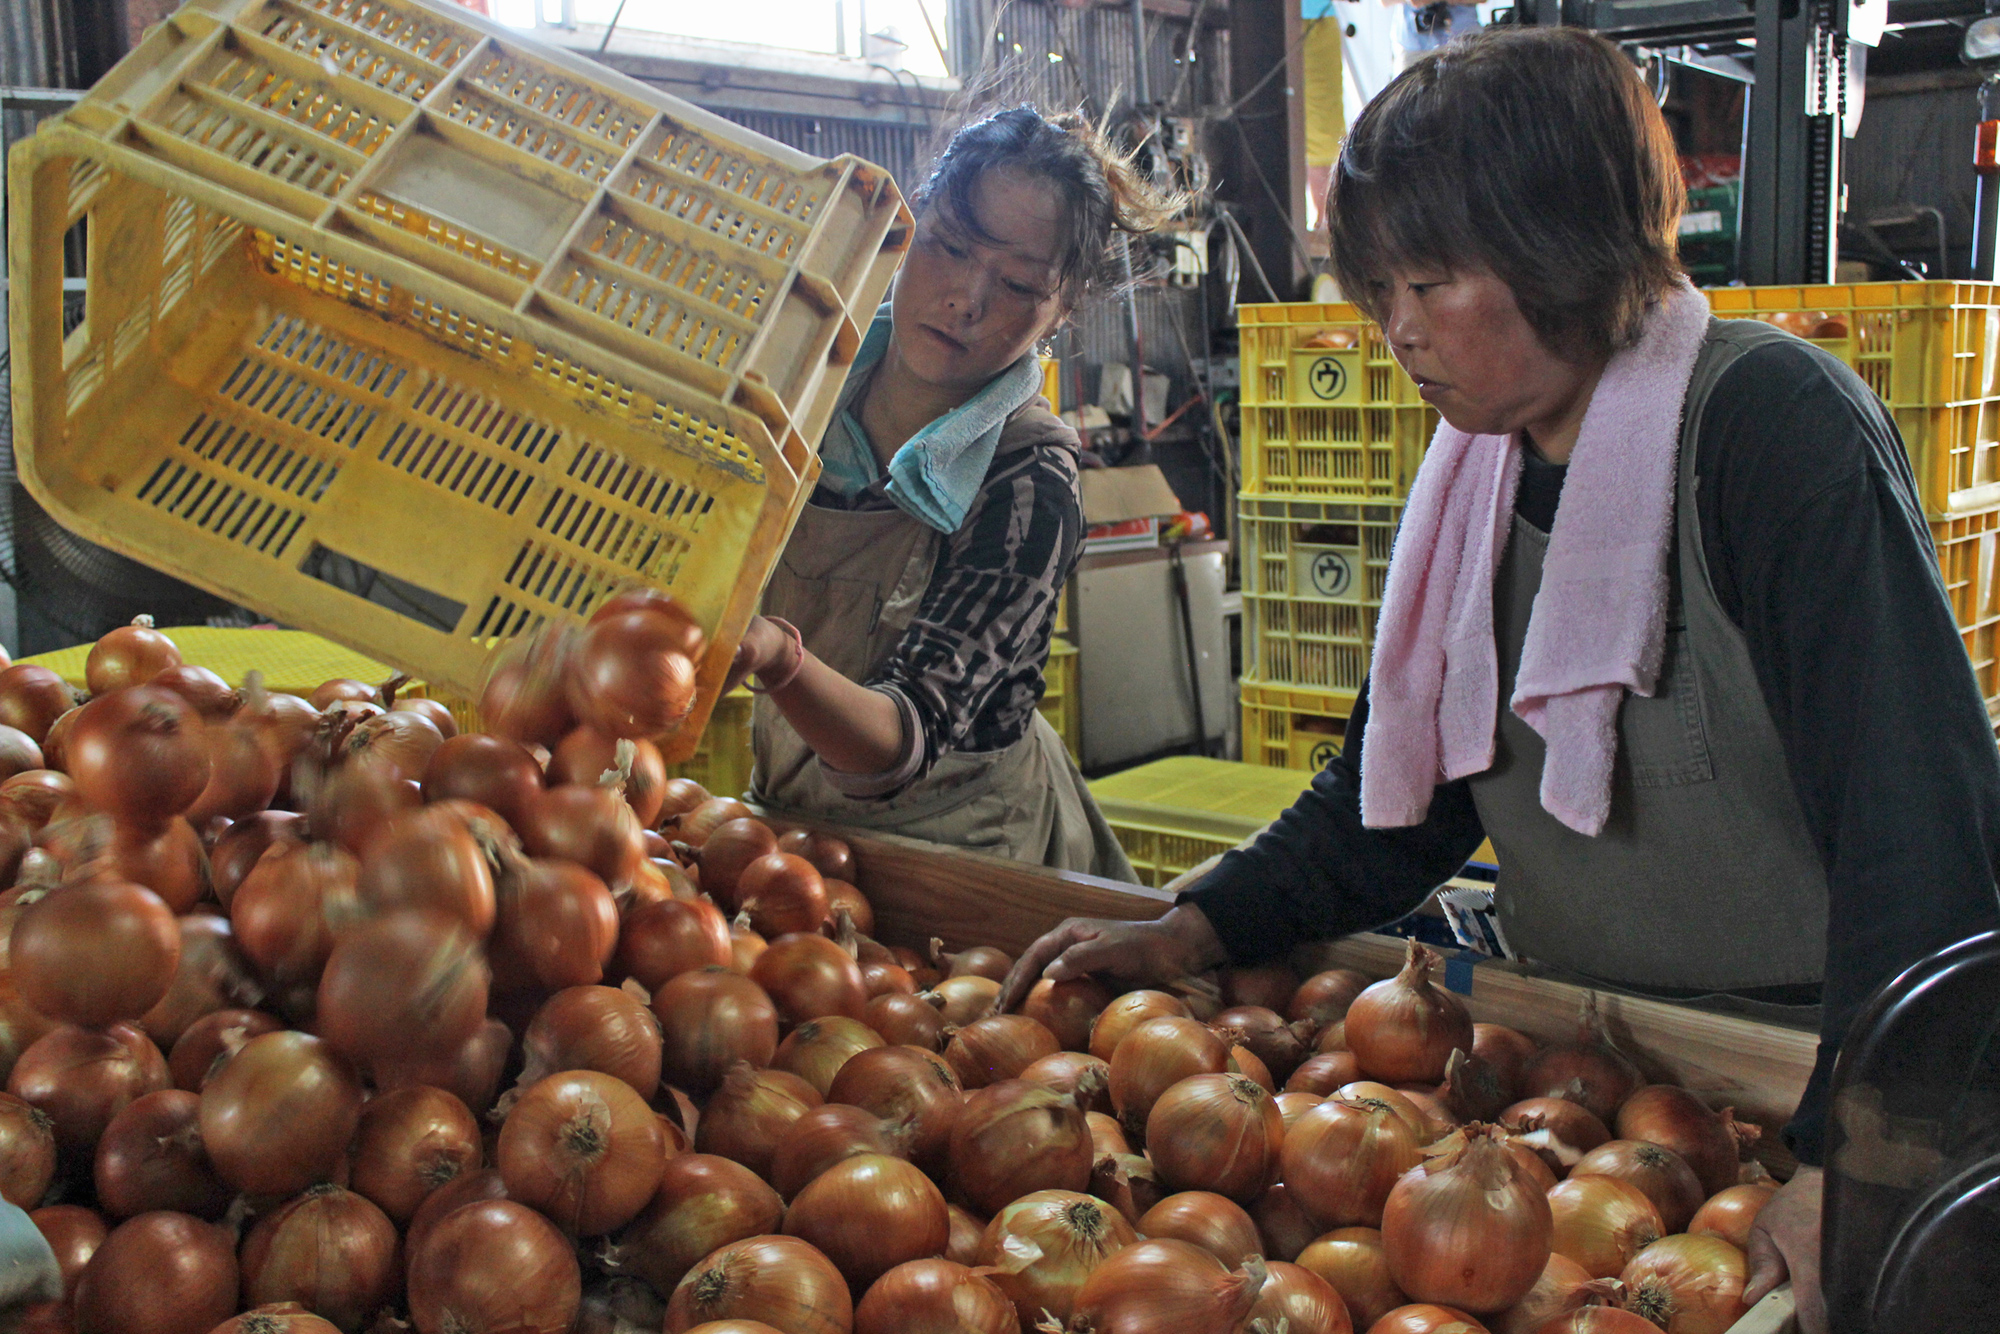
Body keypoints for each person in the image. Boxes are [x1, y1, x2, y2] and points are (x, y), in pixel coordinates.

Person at [999, 29, 2000, 1334]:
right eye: (1380, 286)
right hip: (1595, 1084)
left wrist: (1858, 1158)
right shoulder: (1476, 473)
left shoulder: (1767, 432)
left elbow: (1921, 828)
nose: (1397, 330)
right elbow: (1398, 798)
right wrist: (1201, 921)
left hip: (1814, 1085)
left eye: (1433, 279)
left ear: (1567, 249)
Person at [724, 108, 1176, 880]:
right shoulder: (800, 386)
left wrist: (774, 655)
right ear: (906, 228)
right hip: (795, 829)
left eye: (1018, 285)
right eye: (949, 247)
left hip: (964, 850)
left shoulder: (1030, 478)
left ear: (1060, 312)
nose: (967, 298)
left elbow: (902, 739)